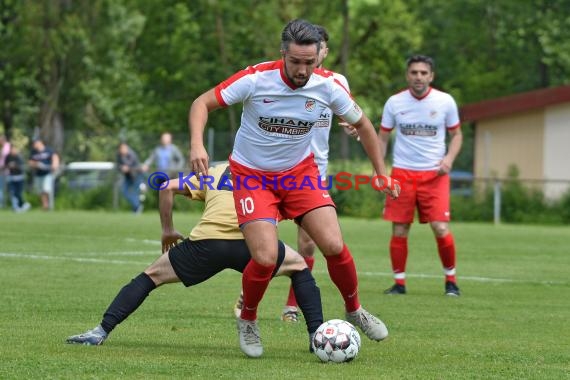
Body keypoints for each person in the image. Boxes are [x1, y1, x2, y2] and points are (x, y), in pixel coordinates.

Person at [189, 19, 400, 358]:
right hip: (252, 176)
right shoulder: (256, 79)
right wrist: (197, 145)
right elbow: (202, 103)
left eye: (310, 63)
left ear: (320, 57)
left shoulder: (329, 86)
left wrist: (380, 172)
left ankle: (353, 309)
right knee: (265, 256)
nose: (303, 70)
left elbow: (363, 124)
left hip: (299, 174)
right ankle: (248, 319)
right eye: (296, 62)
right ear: (283, 53)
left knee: (333, 243)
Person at [66, 162, 323, 354]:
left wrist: (167, 229)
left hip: (207, 244)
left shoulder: (216, 171)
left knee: (150, 277)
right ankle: (316, 336)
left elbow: (166, 187)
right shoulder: (274, 173)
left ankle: (100, 332)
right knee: (299, 267)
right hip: (253, 244)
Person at [232, 24, 360, 323]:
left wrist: (353, 125)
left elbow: (352, 115)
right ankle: (251, 295)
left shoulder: (335, 83)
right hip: (264, 169)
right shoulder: (270, 80)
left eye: (323, 49)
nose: (319, 54)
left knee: (309, 243)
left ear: (322, 52)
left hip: (311, 169)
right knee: (262, 248)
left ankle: (292, 305)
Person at [378, 54, 463, 296]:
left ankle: (451, 281)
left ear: (431, 76)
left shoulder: (445, 101)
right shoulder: (394, 103)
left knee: (440, 227)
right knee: (400, 229)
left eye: (423, 73)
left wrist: (448, 160)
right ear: (408, 75)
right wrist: (380, 170)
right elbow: (382, 137)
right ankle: (399, 283)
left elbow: (457, 135)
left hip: (434, 175)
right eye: (414, 72)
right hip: (402, 174)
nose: (418, 77)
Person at [28, 138, 60, 210]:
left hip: (47, 173)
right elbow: (30, 162)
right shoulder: (33, 152)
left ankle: (48, 205)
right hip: (38, 174)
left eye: (35, 143)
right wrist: (37, 164)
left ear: (40, 142)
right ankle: (45, 206)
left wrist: (55, 165)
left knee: (46, 189)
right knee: (40, 191)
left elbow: (55, 157)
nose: (34, 145)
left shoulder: (48, 150)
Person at [116, 142, 144, 213]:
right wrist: (121, 167)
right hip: (128, 177)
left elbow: (131, 165)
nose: (123, 150)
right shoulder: (119, 155)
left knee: (135, 192)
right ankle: (137, 206)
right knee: (124, 191)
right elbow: (118, 165)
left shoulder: (132, 154)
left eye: (125, 148)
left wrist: (126, 168)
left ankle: (136, 208)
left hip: (137, 176)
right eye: (121, 148)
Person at [4, 144, 31, 212]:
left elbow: (22, 167)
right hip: (11, 177)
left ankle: (23, 204)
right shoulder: (8, 157)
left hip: (19, 177)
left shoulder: (19, 157)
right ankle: (16, 206)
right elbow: (5, 165)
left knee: (18, 193)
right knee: (12, 192)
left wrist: (15, 166)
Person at [0, 134, 10, 208]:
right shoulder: (3, 147)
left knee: (2, 188)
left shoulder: (7, 147)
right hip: (2, 170)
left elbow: (6, 159)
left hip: (4, 170)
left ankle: (3, 204)